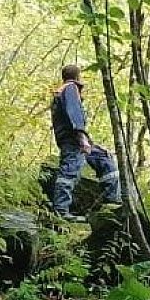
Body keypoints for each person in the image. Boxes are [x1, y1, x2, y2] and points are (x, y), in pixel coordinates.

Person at [50, 64, 121, 221]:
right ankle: (60, 212)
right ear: (77, 77)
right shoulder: (70, 89)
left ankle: (111, 203)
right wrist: (82, 138)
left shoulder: (63, 90)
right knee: (69, 172)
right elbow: (73, 114)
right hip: (73, 141)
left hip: (76, 139)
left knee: (104, 159)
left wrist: (90, 142)